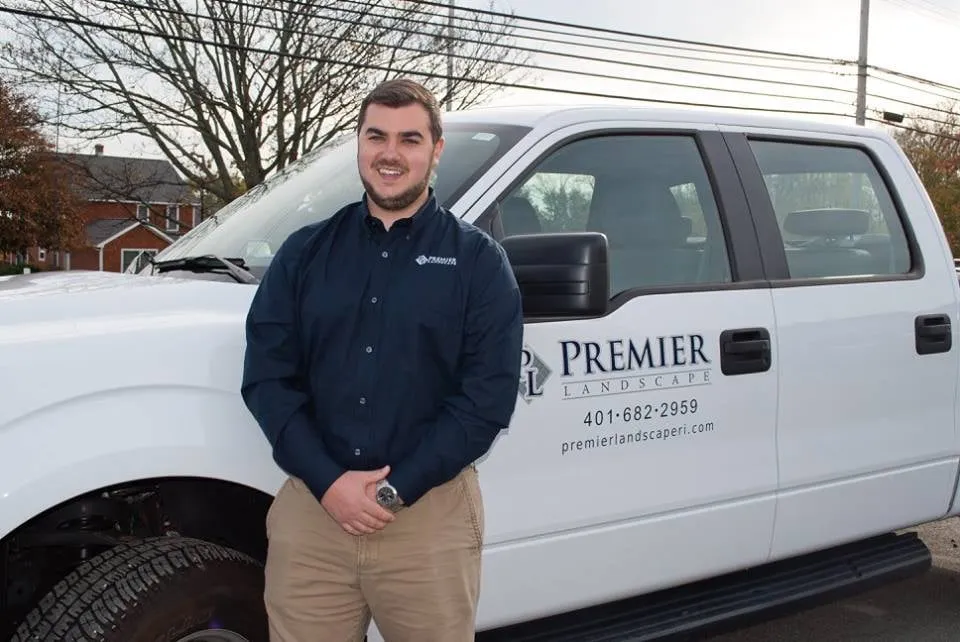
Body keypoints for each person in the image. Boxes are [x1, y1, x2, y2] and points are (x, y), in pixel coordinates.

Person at [240, 77, 524, 642]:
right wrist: (328, 484)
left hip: (429, 519)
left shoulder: (478, 263)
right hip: (313, 518)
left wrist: (393, 492)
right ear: (360, 143)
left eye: (410, 139)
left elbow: (486, 400)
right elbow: (267, 380)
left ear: (435, 149)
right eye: (377, 136)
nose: (390, 154)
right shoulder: (304, 252)